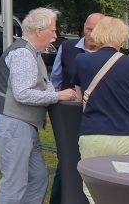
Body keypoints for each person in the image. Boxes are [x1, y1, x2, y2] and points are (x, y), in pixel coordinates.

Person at [0, 7, 78, 204]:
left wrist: (55, 93)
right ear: (39, 30)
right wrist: (58, 95)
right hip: (14, 124)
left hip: (23, 124)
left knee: (38, 177)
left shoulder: (32, 52)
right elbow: (22, 94)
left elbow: (43, 83)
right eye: (53, 30)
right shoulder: (23, 54)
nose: (55, 36)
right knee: (15, 182)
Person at [73, 16, 129, 203]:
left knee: (95, 191)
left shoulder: (82, 60)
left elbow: (79, 97)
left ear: (98, 34)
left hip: (94, 133)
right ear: (122, 37)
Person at [45, 12, 101, 203]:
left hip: (97, 117)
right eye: (88, 29)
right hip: (69, 114)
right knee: (66, 159)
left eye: (95, 30)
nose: (90, 34)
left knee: (93, 161)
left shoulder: (110, 53)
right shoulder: (68, 47)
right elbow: (55, 80)